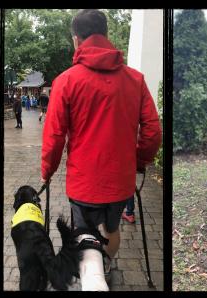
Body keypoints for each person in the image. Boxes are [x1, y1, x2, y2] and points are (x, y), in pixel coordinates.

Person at [40, 9, 162, 288]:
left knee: (84, 234)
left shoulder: (65, 81)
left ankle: (91, 277)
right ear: (107, 35)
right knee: (112, 228)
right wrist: (140, 161)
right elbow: (153, 131)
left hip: (84, 183)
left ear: (76, 40)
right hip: (120, 182)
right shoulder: (135, 79)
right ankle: (105, 266)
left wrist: (47, 171)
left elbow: (54, 137)